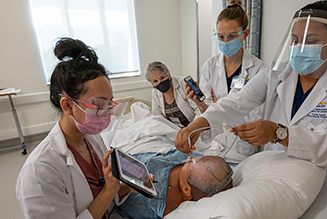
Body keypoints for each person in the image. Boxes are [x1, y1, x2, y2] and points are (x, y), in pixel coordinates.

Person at [176, 0, 327, 170]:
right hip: (273, 170)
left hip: (326, 176)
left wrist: (280, 133)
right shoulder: (277, 72)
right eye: (294, 40)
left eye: (310, 41)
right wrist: (198, 124)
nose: (299, 48)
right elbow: (235, 102)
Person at [15, 38, 135, 219]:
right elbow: (105, 193)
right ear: (68, 106)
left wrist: (129, 185)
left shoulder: (91, 139)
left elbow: (101, 191)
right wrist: (109, 191)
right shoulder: (39, 172)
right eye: (99, 104)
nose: (107, 112)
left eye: (110, 103)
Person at [186, 0, 268, 161]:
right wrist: (201, 104)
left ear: (245, 34)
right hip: (213, 143)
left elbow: (255, 117)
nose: (225, 41)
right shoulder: (210, 66)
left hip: (241, 146)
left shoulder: (260, 70)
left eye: (231, 36)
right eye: (220, 36)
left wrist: (218, 105)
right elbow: (206, 109)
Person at [115, 149, 233, 219]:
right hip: (128, 158)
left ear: (186, 189)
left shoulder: (159, 207)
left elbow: (115, 197)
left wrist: (125, 187)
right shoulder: (202, 167)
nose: (189, 159)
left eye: (190, 163)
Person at [147, 61, 200, 128]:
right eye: (155, 81)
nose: (160, 82)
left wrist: (191, 127)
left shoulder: (183, 83)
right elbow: (157, 114)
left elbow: (199, 109)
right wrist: (170, 127)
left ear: (168, 74)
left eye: (162, 77)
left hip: (193, 126)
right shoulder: (155, 92)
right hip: (172, 129)